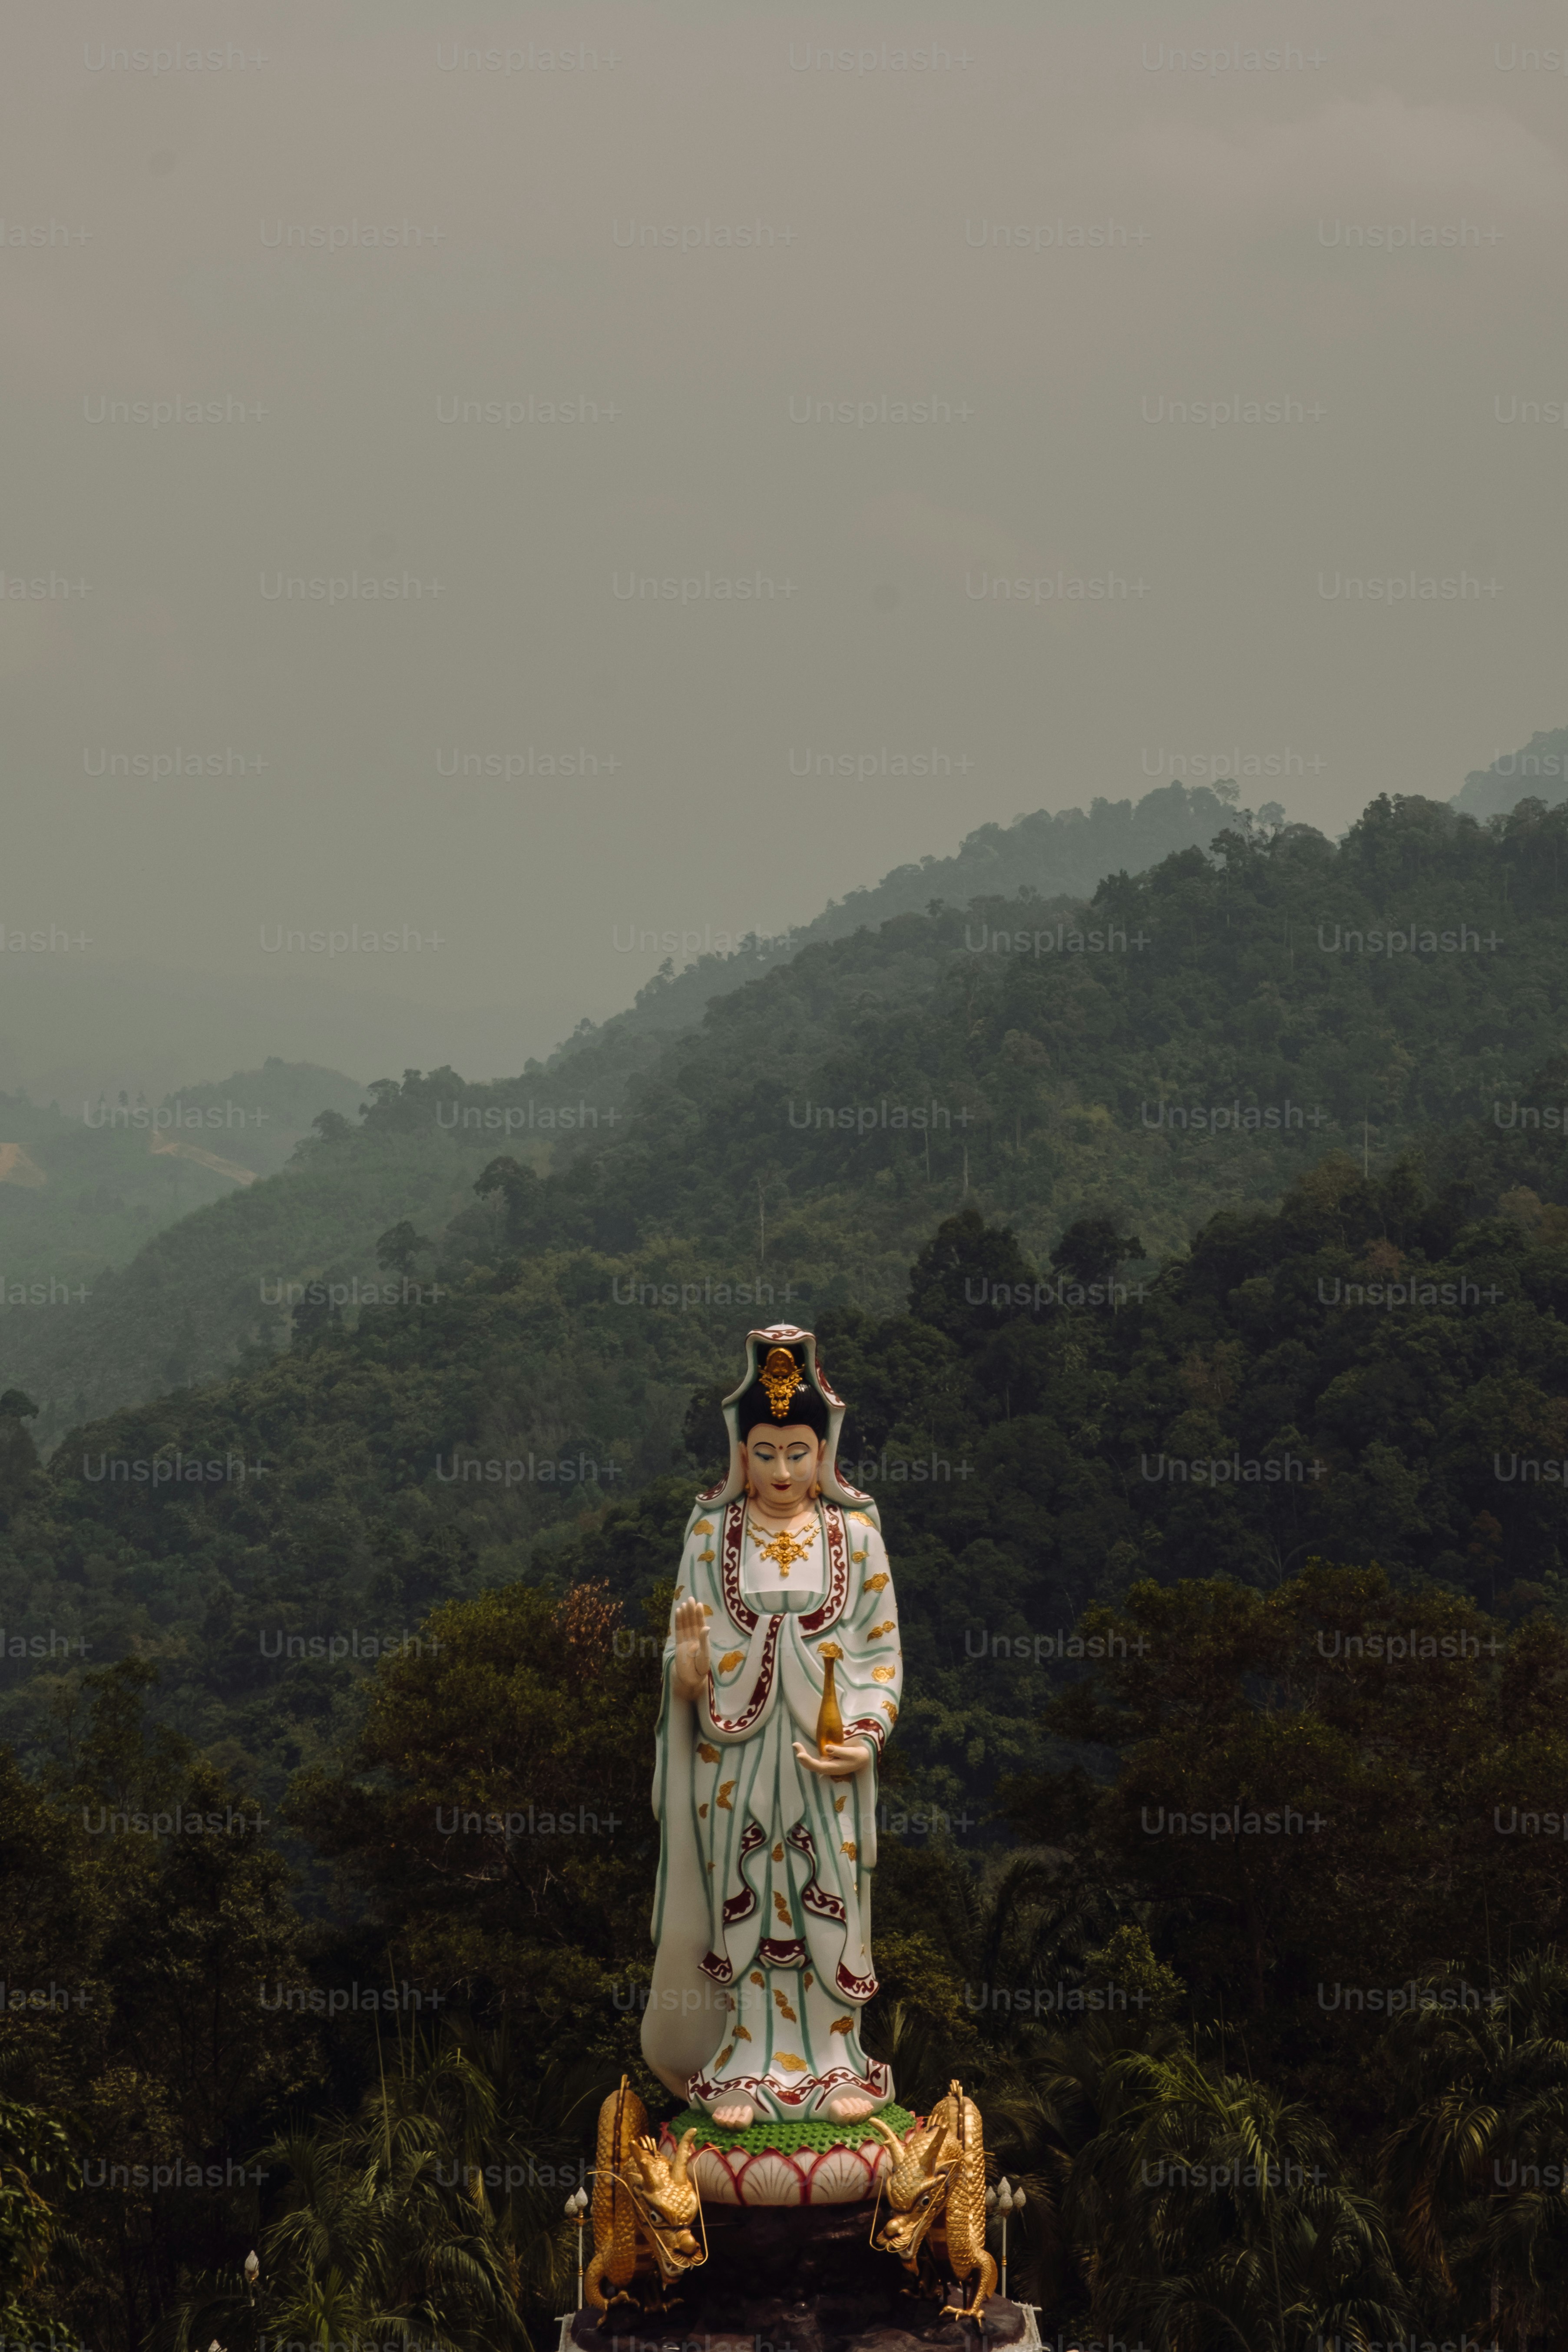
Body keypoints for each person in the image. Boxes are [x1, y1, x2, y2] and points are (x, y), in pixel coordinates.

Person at [642, 1327, 903, 2128]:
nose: (782, 1472)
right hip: (735, 1757)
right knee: (744, 1896)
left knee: (828, 1898)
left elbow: (881, 1652)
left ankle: (834, 2061)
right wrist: (688, 1675)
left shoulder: (855, 1537)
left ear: (823, 1453)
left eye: (797, 1452)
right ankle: (743, 2062)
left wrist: (863, 1736)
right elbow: (685, 1648)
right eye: (764, 1453)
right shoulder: (708, 1537)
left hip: (825, 1760)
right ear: (740, 1454)